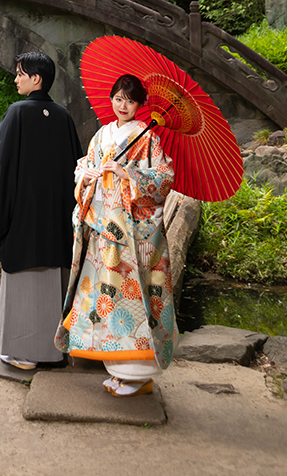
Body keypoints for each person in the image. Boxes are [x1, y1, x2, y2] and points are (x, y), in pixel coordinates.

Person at [55, 73, 178, 396]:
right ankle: (118, 370)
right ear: (111, 99)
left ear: (140, 105)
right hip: (102, 230)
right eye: (119, 98)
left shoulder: (147, 137)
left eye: (131, 100)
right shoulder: (101, 134)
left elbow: (163, 178)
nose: (123, 106)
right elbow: (83, 165)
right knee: (103, 299)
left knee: (131, 300)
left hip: (132, 238)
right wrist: (87, 175)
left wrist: (128, 173)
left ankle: (138, 374)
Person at [0, 50, 83, 370]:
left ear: (36, 79)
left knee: (23, 279)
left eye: (20, 73)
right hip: (56, 218)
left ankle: (23, 353)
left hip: (24, 216)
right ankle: (55, 351)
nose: (16, 79)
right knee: (54, 280)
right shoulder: (64, 117)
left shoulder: (17, 113)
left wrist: (1, 198)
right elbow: (76, 167)